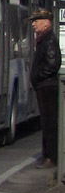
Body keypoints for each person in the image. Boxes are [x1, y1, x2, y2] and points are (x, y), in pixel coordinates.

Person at [29, 9, 61, 168]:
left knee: (50, 122)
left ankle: (52, 157)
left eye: (37, 20)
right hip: (44, 86)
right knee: (46, 121)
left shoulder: (49, 41)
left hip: (48, 86)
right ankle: (47, 155)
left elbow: (52, 64)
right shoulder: (45, 39)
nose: (34, 24)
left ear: (46, 22)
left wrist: (37, 76)